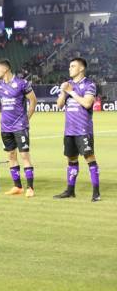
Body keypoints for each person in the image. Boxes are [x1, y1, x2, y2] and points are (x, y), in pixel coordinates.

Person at [54, 57, 101, 202]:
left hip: (83, 129)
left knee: (89, 158)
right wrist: (63, 91)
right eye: (69, 66)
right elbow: (59, 105)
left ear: (81, 68)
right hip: (69, 130)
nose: (70, 68)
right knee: (71, 159)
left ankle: (96, 193)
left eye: (73, 66)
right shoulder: (68, 85)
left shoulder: (89, 85)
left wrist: (72, 92)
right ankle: (70, 190)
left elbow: (87, 103)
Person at [0, 58, 37, 198]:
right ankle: (17, 186)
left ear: (5, 69)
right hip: (5, 127)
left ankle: (30, 187)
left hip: (20, 126)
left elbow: (33, 100)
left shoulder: (21, 83)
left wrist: (27, 118)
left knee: (24, 155)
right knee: (11, 156)